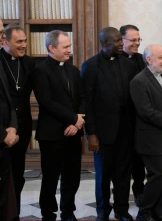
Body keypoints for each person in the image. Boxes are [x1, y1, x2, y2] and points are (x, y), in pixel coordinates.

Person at [81, 27, 137, 221]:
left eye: (121, 40)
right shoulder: (90, 66)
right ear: (105, 44)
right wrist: (92, 134)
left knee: (123, 174)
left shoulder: (128, 65)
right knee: (103, 175)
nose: (122, 44)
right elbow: (86, 102)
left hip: (125, 131)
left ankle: (122, 210)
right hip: (103, 133)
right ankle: (102, 210)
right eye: (117, 41)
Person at [33, 30, 86, 221]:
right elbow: (46, 101)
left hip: (74, 131)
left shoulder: (73, 69)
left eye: (69, 46)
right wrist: (73, 118)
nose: (69, 50)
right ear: (52, 48)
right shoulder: (40, 70)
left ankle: (68, 211)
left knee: (72, 176)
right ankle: (48, 212)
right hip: (52, 134)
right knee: (50, 177)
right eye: (65, 47)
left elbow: (81, 97)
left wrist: (77, 122)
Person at [130, 44, 162, 221]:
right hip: (151, 139)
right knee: (157, 176)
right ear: (149, 60)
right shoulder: (139, 81)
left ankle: (157, 213)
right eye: (161, 57)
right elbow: (145, 111)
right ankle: (143, 214)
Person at [0, 24, 35, 218]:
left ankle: (15, 214)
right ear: (5, 41)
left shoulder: (29, 63)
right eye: (19, 41)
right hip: (3, 127)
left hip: (22, 127)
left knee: (18, 175)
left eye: (25, 41)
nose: (23, 45)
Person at [119, 24, 146, 205]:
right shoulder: (115, 60)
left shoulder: (142, 60)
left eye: (138, 40)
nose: (137, 43)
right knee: (122, 163)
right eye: (133, 40)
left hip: (140, 120)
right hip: (121, 121)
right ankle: (120, 196)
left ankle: (139, 192)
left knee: (139, 162)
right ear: (122, 40)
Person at [0, 52, 19, 221]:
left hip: (6, 136)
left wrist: (12, 127)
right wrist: (2, 134)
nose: (2, 37)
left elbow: (9, 99)